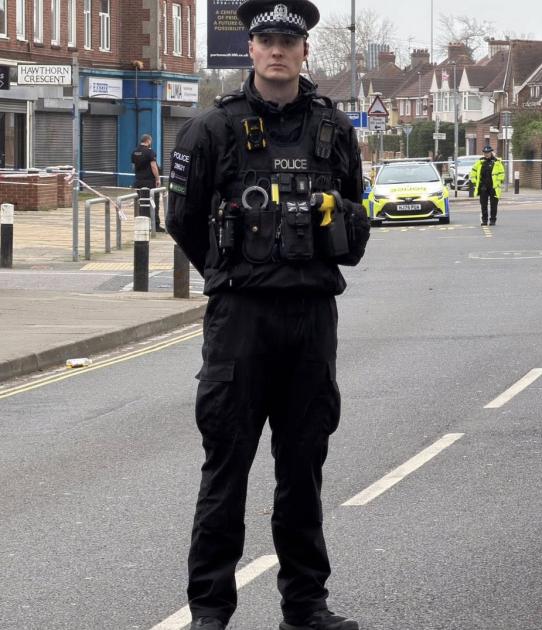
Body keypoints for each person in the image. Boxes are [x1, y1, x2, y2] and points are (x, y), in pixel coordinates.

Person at [165, 1, 370, 628]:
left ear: (305, 50)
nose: (277, 49)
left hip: (311, 317)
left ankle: (305, 606)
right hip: (242, 321)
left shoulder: (335, 130)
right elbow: (182, 220)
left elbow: (358, 224)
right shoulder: (211, 129)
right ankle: (210, 612)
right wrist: (233, 277)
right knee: (226, 466)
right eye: (265, 39)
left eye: (289, 39)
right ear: (250, 49)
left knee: (302, 469)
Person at [131, 134, 164, 232]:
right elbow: (154, 167)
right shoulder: (150, 152)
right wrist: (158, 179)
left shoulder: (134, 152)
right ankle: (155, 225)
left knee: (142, 203)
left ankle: (143, 225)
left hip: (139, 181)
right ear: (148, 141)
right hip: (149, 182)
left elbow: (133, 167)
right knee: (154, 203)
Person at [470, 145, 505, 226]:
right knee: (483, 205)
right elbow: (473, 172)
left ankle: (493, 220)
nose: (486, 154)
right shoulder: (480, 162)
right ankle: (484, 220)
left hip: (494, 187)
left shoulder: (497, 162)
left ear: (491, 152)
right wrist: (474, 181)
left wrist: (498, 182)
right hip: (483, 186)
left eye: (488, 152)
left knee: (494, 205)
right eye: (485, 153)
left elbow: (501, 174)